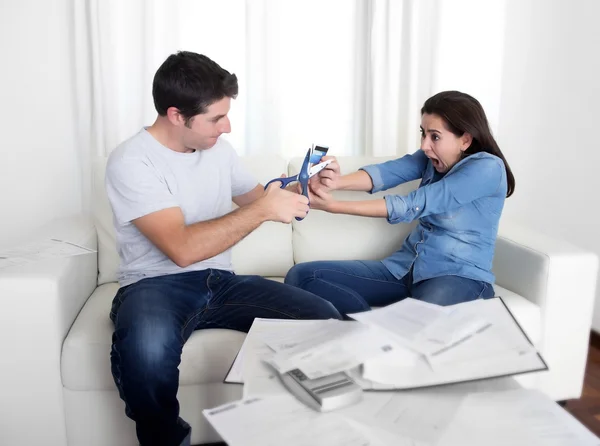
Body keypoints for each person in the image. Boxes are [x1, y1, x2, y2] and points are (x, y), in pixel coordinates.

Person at [105, 51, 341, 446]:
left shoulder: (218, 150)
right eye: (216, 118)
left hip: (221, 282)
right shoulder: (131, 161)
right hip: (154, 284)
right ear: (176, 115)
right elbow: (181, 248)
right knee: (145, 354)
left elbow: (255, 198)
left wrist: (303, 185)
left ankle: (289, 432)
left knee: (324, 320)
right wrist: (265, 209)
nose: (227, 127)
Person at [285, 90, 515, 316]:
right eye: (423, 134)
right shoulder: (430, 159)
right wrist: (335, 182)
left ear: (465, 139)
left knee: (415, 326)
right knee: (302, 276)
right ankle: (364, 327)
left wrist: (333, 206)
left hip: (457, 276)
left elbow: (412, 205)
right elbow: (386, 173)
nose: (425, 145)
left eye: (435, 136)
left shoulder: (487, 168)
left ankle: (376, 333)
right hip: (403, 270)